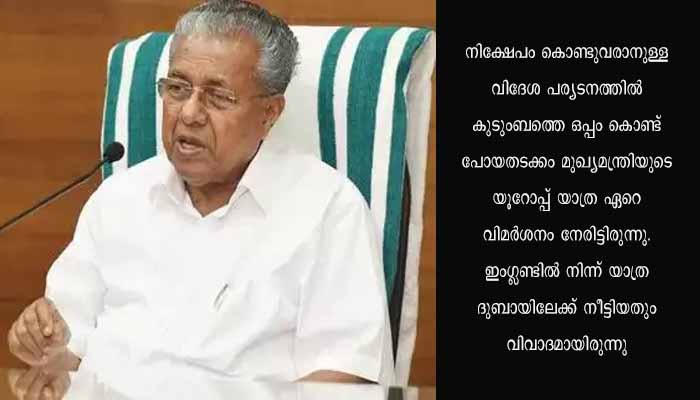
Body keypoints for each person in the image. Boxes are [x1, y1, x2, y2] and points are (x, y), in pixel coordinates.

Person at [7, 0, 393, 385]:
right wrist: (44, 346)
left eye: (218, 96)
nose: (189, 113)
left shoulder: (328, 209)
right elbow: (66, 352)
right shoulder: (119, 198)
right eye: (177, 89)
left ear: (270, 113)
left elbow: (345, 375)